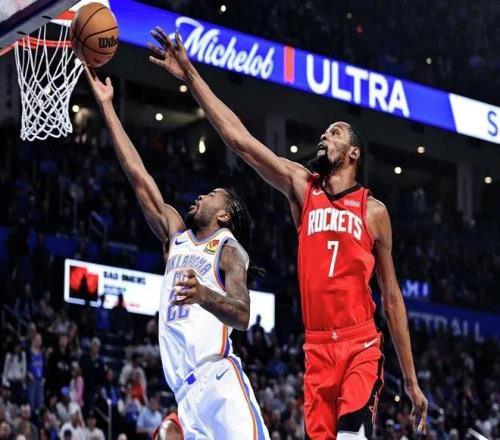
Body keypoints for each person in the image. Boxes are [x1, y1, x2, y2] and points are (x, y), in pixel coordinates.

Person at [148, 29, 428, 439]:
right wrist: (190, 75)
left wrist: (411, 381)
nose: (324, 136)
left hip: (360, 344)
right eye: (324, 132)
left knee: (351, 435)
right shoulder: (303, 188)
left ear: (354, 153)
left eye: (335, 133)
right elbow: (241, 142)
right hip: (317, 349)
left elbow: (392, 299)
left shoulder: (374, 212)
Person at [84, 65, 269, 439]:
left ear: (224, 215)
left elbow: (242, 314)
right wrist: (106, 107)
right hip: (186, 396)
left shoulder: (228, 249)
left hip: (219, 381)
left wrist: (203, 295)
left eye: (212, 195)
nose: (201, 196)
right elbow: (139, 177)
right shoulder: (176, 238)